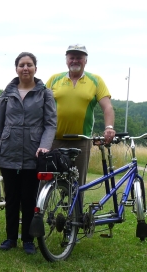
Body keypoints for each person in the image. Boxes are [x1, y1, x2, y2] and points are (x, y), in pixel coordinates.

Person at [0, 52, 57, 254]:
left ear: (36, 68)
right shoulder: (7, 93)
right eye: (21, 65)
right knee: (11, 198)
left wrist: (44, 146)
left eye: (29, 65)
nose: (25, 68)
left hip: (33, 153)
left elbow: (51, 124)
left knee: (29, 199)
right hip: (8, 152)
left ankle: (28, 240)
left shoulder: (45, 93)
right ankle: (10, 238)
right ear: (16, 69)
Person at [46, 44, 115, 187]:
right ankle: (42, 208)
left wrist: (109, 127)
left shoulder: (96, 80)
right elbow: (40, 104)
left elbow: (107, 107)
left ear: (85, 61)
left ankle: (76, 210)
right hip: (53, 139)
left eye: (79, 58)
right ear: (66, 60)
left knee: (77, 184)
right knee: (47, 180)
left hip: (81, 141)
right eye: (72, 57)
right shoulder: (54, 79)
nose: (75, 61)